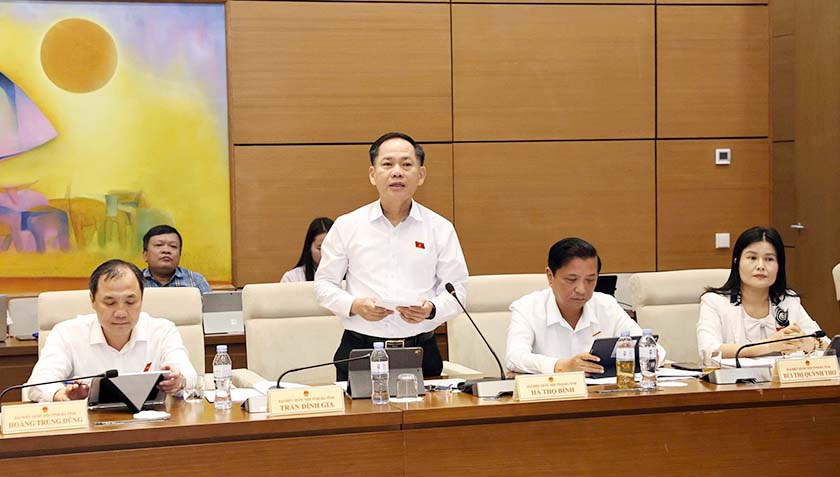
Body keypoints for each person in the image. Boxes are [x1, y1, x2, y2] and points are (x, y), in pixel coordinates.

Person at [314, 132, 469, 380]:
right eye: (387, 164)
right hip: (360, 349)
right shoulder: (347, 225)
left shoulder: (440, 228)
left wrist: (431, 310)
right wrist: (355, 305)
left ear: (421, 175)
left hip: (421, 351)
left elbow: (457, 291)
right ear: (372, 174)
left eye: (406, 165)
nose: (397, 172)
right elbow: (323, 285)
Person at [25, 259, 196, 402]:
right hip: (90, 428)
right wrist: (61, 395)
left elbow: (189, 375)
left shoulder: (162, 330)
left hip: (152, 425)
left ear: (142, 298)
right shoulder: (67, 333)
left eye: (130, 302)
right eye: (110, 302)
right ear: (92, 300)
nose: (120, 313)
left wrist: (179, 381)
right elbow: (37, 384)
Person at [505, 238, 665, 375]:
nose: (581, 289)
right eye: (571, 280)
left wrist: (650, 356)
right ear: (550, 276)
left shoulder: (607, 305)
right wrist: (562, 366)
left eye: (590, 280)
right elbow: (514, 357)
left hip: (601, 396)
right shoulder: (527, 308)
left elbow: (654, 348)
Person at [697, 226, 827, 359]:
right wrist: (769, 345)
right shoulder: (714, 302)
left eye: (769, 259)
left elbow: (826, 344)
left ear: (779, 266)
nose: (761, 266)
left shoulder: (788, 301)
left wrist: (808, 343)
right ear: (737, 262)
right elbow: (708, 351)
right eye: (752, 258)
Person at [141, 224, 211, 294]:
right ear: (145, 255)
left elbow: (211, 301)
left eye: (173, 246)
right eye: (159, 245)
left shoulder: (196, 280)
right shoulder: (136, 280)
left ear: (179, 255)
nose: (166, 250)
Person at [281, 217, 334, 282]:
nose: (325, 253)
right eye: (319, 248)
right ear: (309, 247)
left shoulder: (345, 275)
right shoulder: (292, 278)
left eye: (330, 248)